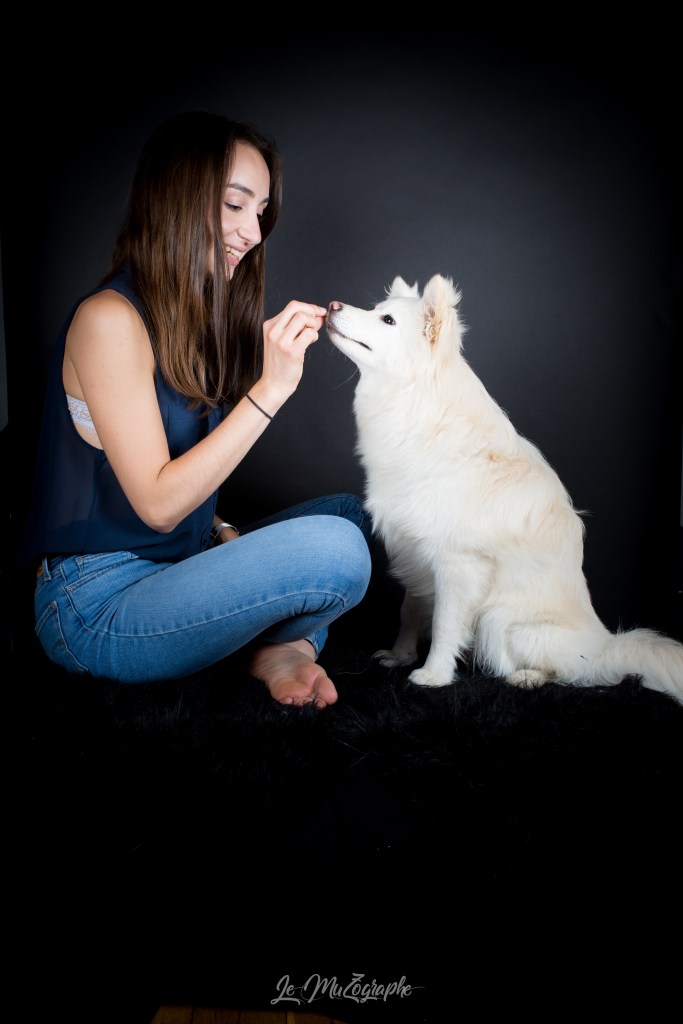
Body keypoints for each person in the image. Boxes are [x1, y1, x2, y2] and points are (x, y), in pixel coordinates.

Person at [21, 110, 373, 710]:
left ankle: (279, 648)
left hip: (184, 562)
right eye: (235, 205)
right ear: (175, 198)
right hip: (96, 604)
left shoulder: (196, 317)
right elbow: (158, 505)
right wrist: (272, 388)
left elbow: (189, 480)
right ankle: (279, 642)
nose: (253, 232)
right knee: (336, 552)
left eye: (260, 212)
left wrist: (220, 531)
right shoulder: (108, 320)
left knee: (361, 515)